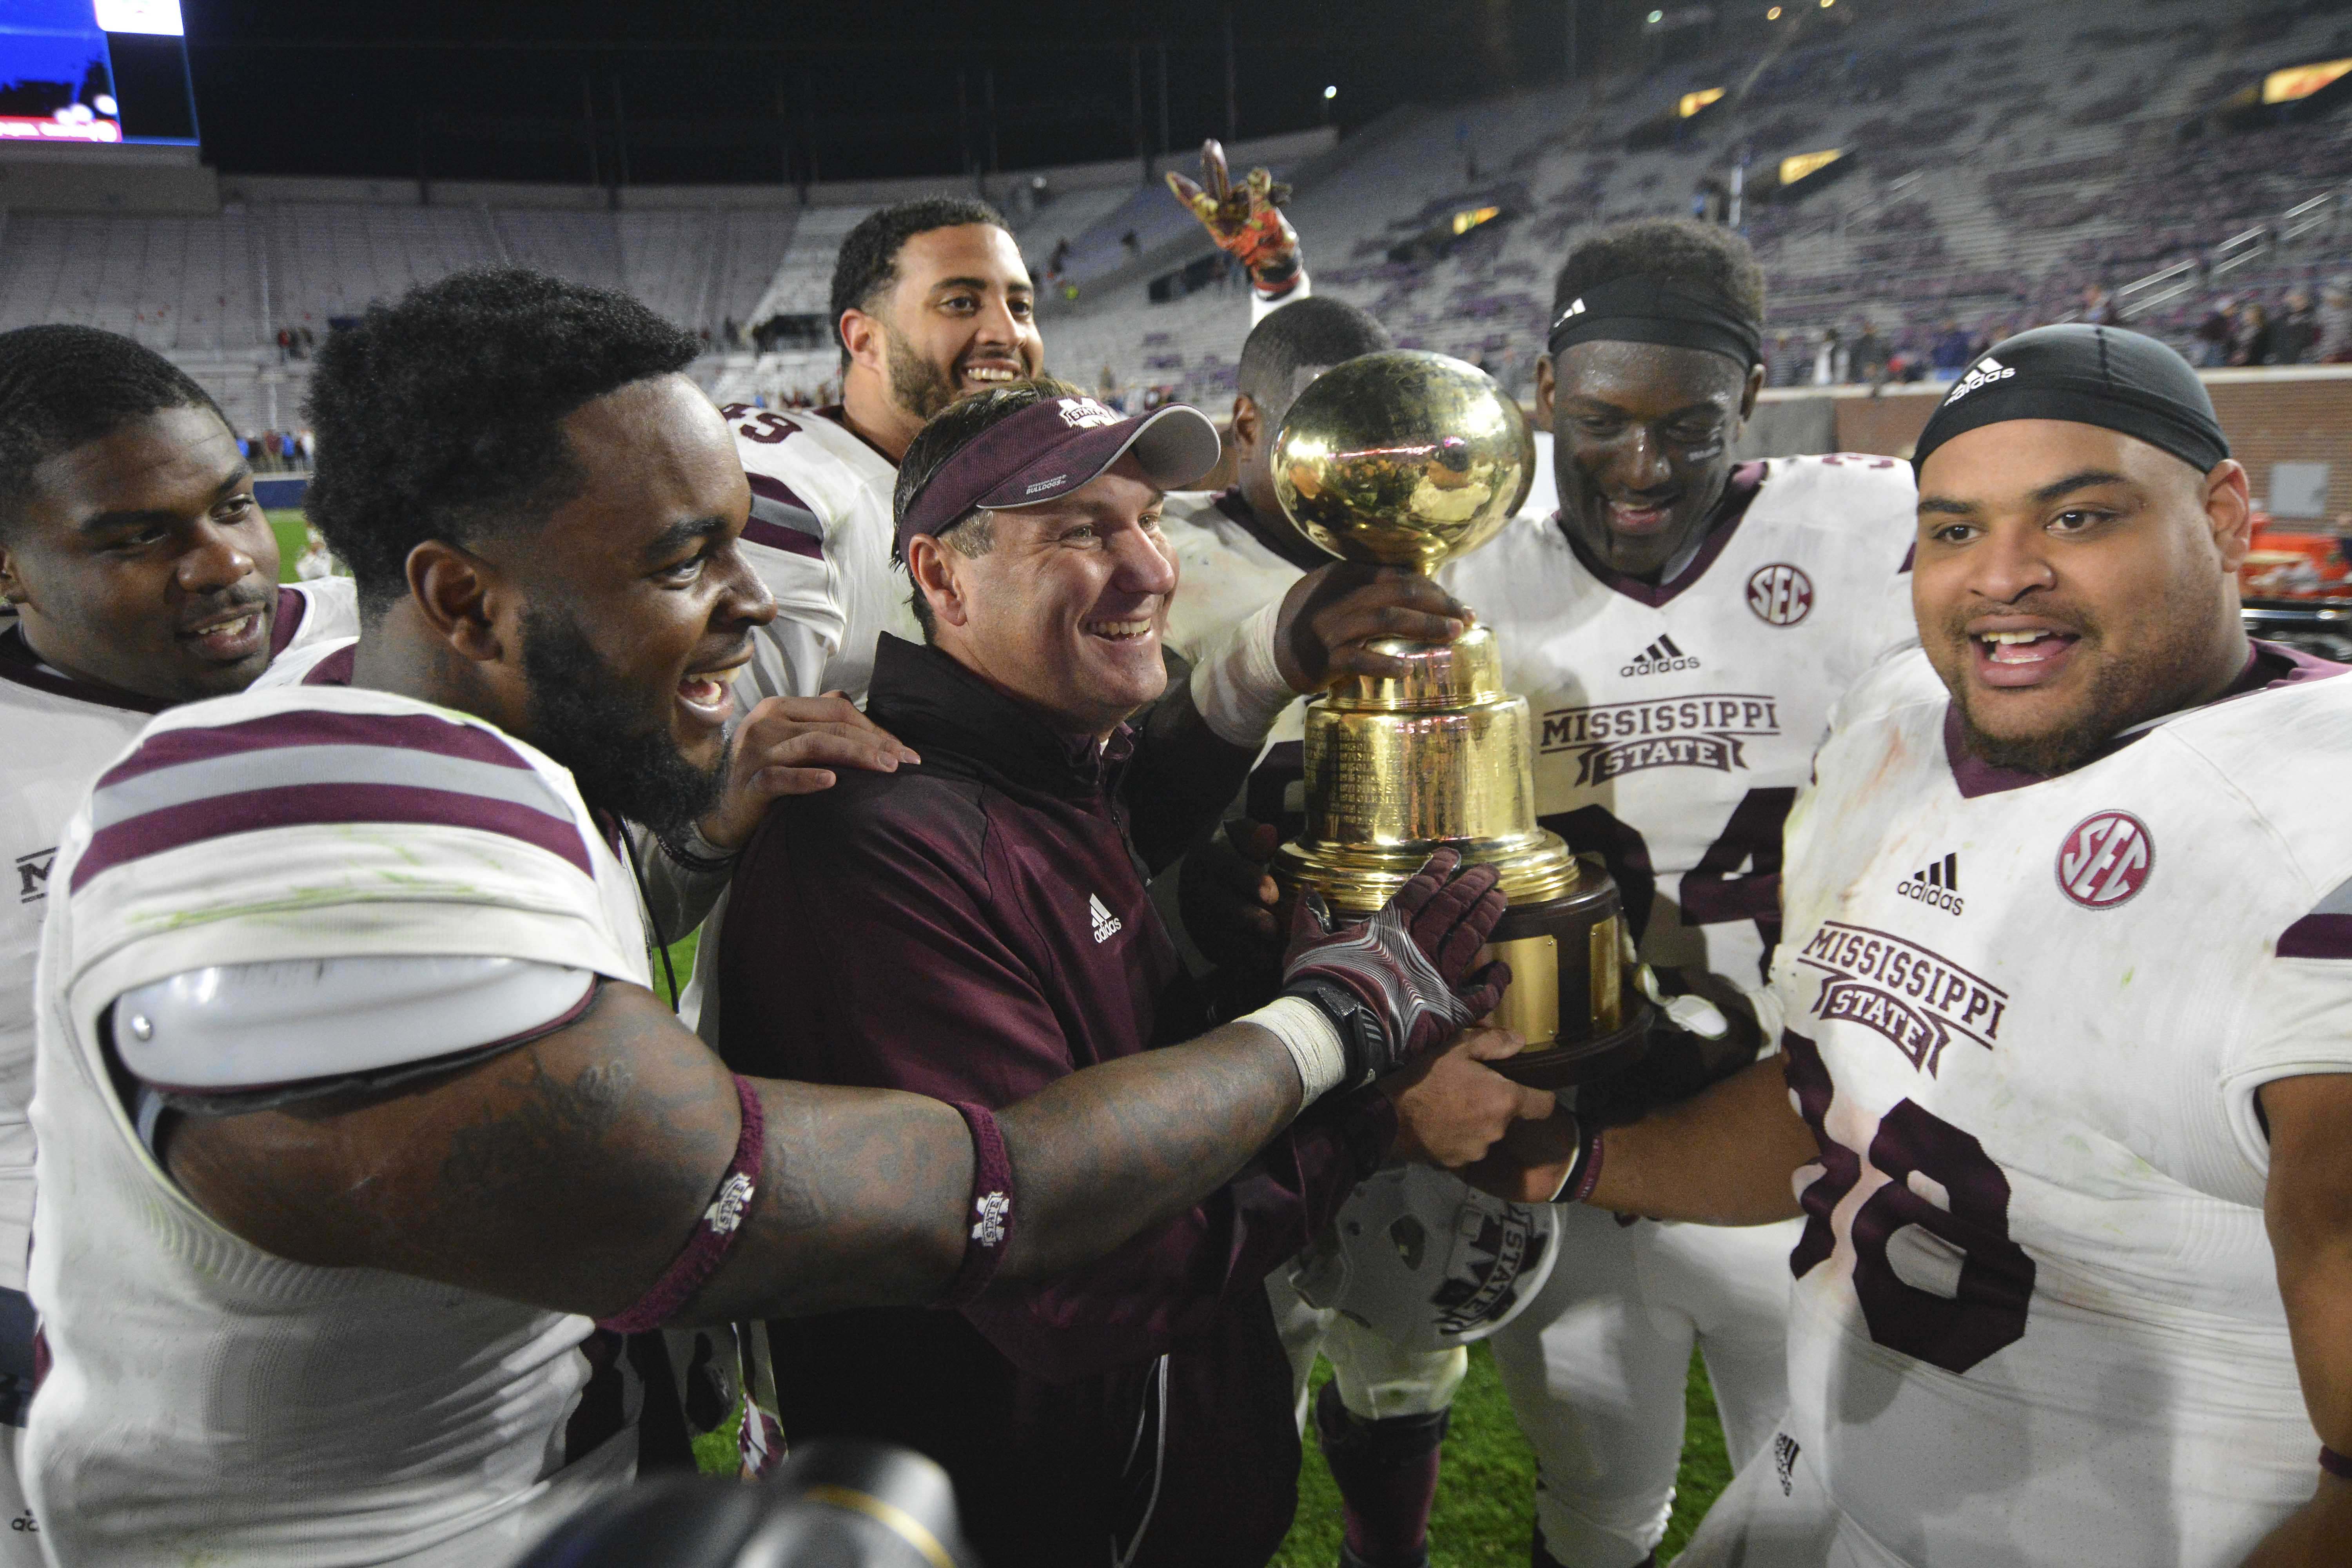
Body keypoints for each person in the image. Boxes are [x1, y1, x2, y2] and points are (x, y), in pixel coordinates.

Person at [22, 270, 1523, 1567]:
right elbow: (985, 1197)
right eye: (684, 560)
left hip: (580, 1487)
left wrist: (691, 835)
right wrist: (1343, 1024)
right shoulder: (280, 853)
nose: (753, 605)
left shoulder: (508, 750)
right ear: (463, 602)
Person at [1482, 325, 2352, 1568]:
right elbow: (1848, 1106)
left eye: (2080, 519)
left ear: (2223, 517)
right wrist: (1559, 1161)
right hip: (1817, 1492)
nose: (2002, 576)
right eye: (1953, 531)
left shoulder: (2318, 824)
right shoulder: (1899, 723)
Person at [711, 376, 1551, 1568]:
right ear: (941, 577)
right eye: (1078, 531)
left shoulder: (1037, 769)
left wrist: (1232, 958)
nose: (1151, 568)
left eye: (1149, 519)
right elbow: (1072, 1284)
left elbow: (1102, 888)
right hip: (1028, 1519)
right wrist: (1378, 1120)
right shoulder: (874, 850)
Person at [0, 324, 360, 1562]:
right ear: (8, 569)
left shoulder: (372, 664)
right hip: (83, 1386)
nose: (224, 564)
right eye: (138, 535)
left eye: (231, 506)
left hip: (401, 1345)